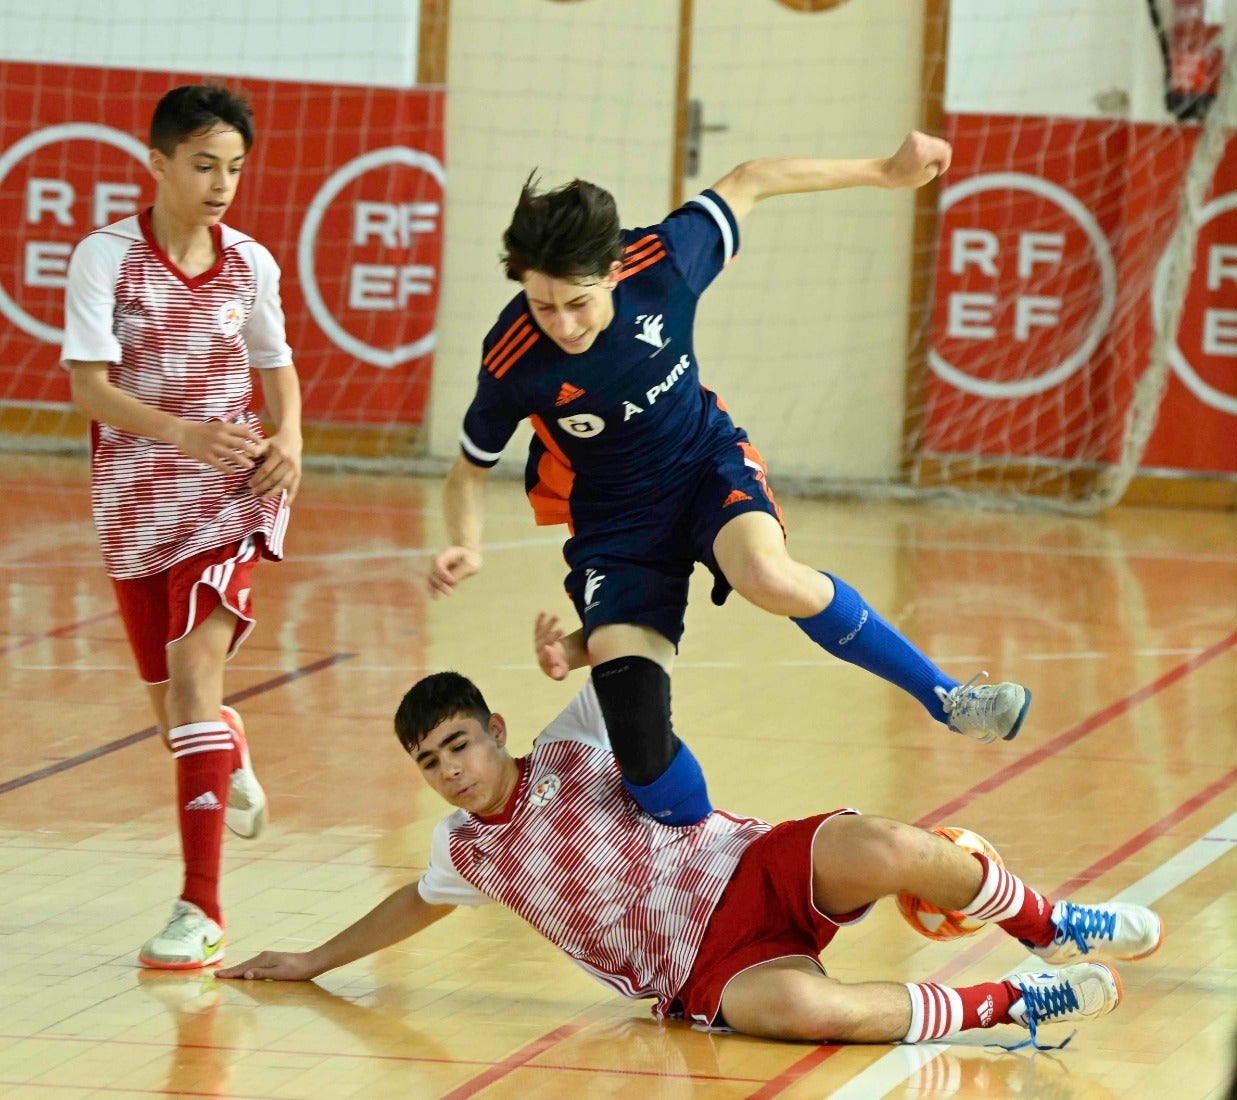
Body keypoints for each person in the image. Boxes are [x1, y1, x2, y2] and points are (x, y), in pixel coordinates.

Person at [428, 133, 1030, 827]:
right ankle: (710, 857)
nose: (562, 324)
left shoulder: (665, 260)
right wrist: (466, 544)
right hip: (617, 527)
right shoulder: (513, 358)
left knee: (767, 576)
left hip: (702, 464)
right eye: (543, 306)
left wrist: (886, 172)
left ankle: (949, 697)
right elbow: (467, 472)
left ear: (615, 272)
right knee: (642, 755)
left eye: (579, 303)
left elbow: (752, 177)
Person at [218, 658, 1164, 1047]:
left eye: (458, 746)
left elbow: (636, 656)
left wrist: (580, 636)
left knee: (879, 842)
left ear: (494, 728)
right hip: (700, 969)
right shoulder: (464, 851)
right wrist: (309, 960)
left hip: (744, 863)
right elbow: (407, 905)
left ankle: (1050, 924)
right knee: (800, 1008)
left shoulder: (573, 736)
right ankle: (1012, 1002)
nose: (450, 773)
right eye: (429, 764)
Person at [61, 83, 303, 968]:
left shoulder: (250, 262)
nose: (222, 183)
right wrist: (180, 433)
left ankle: (201, 911)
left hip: (230, 496)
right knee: (179, 721)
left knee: (196, 681)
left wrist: (293, 441)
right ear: (157, 162)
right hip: (134, 502)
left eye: (235, 167)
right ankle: (225, 746)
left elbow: (276, 362)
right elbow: (89, 389)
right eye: (204, 164)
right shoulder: (104, 259)